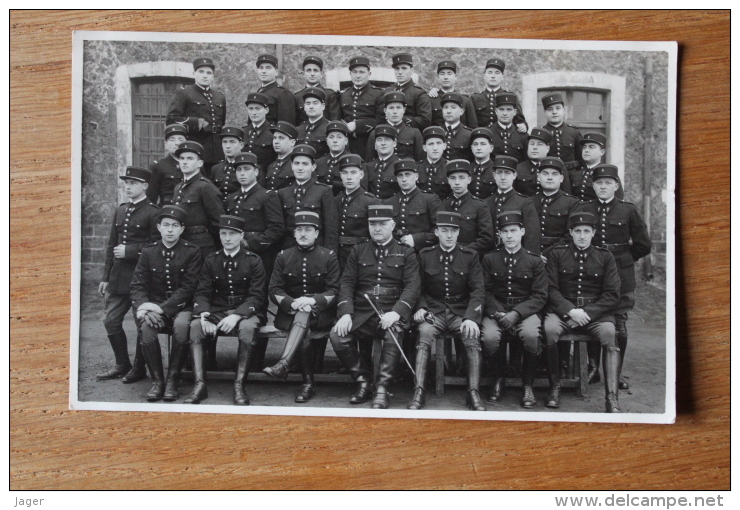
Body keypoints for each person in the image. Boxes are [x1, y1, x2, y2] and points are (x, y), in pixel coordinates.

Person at [330, 204, 421, 409]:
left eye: (382, 224)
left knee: (392, 333)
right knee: (338, 336)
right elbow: (347, 283)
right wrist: (345, 313)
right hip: (362, 312)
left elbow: (412, 286)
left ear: (392, 225)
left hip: (391, 311)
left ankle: (382, 387)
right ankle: (363, 382)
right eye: (373, 224)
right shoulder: (359, 250)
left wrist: (397, 312)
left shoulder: (405, 252)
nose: (377, 228)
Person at [577, 165, 651, 390]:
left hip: (620, 271)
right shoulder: (584, 208)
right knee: (591, 318)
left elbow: (643, 245)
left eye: (608, 183)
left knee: (619, 323)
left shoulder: (628, 210)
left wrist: (624, 259)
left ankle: (615, 372)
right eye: (599, 183)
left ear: (616, 186)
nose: (603, 186)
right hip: (591, 271)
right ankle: (593, 369)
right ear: (593, 185)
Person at [543, 212, 623, 412]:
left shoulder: (605, 257)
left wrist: (585, 313)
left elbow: (612, 294)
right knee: (549, 330)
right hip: (563, 312)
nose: (582, 235)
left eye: (586, 231)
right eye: (577, 231)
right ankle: (555, 386)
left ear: (593, 233)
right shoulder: (557, 254)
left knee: (609, 333)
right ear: (570, 232)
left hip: (595, 314)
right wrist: (570, 311)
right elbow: (550, 289)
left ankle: (612, 397)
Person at [410, 211, 486, 411]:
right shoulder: (425, 255)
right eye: (444, 231)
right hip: (433, 310)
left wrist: (471, 317)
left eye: (453, 231)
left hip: (460, 311)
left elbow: (478, 290)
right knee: (424, 334)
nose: (449, 235)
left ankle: (473, 392)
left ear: (459, 232)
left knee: (471, 337)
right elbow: (416, 287)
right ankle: (418, 391)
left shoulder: (470, 256)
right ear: (437, 232)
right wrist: (420, 307)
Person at [187, 215, 267, 405]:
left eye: (232, 234)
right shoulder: (211, 260)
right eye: (223, 234)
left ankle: (239, 385)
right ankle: (199, 384)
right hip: (218, 309)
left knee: (247, 328)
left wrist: (238, 315)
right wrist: (204, 313)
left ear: (241, 236)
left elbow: (257, 295)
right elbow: (202, 291)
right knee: (196, 325)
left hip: (248, 311)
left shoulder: (253, 260)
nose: (227, 238)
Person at [263, 211, 341, 403]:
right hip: (290, 312)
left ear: (316, 233)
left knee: (303, 318)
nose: (303, 233)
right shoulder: (283, 256)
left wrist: (313, 301)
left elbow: (334, 289)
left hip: (320, 313)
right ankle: (306, 382)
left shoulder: (328, 256)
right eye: (299, 230)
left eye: (308, 229)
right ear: (294, 234)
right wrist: (294, 303)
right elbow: (274, 289)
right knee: (302, 320)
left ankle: (286, 366)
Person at [129, 205, 202, 402]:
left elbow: (189, 287)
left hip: (182, 306)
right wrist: (144, 308)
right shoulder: (148, 252)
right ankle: (157, 381)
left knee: (181, 325)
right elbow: (137, 285)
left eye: (175, 226)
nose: (170, 230)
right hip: (153, 307)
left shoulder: (192, 251)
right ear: (159, 227)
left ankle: (173, 380)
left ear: (182, 229)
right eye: (166, 225)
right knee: (146, 328)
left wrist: (161, 309)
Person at [97, 166, 160, 382]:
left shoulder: (153, 212)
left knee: (142, 324)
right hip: (117, 277)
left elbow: (157, 245)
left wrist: (131, 251)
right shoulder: (121, 210)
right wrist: (105, 277)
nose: (129, 187)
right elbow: (111, 245)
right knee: (110, 320)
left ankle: (139, 368)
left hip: (140, 279)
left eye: (133, 183)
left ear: (145, 186)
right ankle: (122, 364)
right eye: (127, 183)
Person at [480, 211, 547, 408]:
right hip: (497, 310)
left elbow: (540, 295)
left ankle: (528, 385)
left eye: (513, 231)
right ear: (499, 234)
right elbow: (484, 290)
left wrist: (516, 314)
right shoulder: (490, 259)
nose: (509, 236)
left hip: (525, 311)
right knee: (490, 337)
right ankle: (499, 378)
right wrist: (497, 312)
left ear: (522, 232)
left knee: (531, 335)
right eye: (505, 231)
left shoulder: (534, 261)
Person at [224, 151, 285, 321]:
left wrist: (249, 244)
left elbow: (277, 229)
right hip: (235, 256)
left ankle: (257, 346)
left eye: (247, 169)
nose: (242, 173)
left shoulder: (267, 196)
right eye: (239, 170)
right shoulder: (231, 199)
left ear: (256, 171)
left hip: (260, 256)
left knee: (258, 301)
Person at [166, 57, 226, 175]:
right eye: (201, 72)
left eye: (209, 73)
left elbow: (221, 122)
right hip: (196, 149)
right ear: (194, 74)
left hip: (217, 151)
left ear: (213, 76)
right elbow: (171, 119)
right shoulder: (184, 93)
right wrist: (197, 123)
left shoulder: (219, 97)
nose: (205, 76)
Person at [277, 144, 339, 252]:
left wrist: (329, 256)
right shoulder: (283, 193)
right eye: (296, 163)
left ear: (313, 167)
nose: (300, 168)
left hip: (317, 251)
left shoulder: (323, 191)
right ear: (291, 166)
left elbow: (331, 229)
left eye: (305, 164)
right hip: (289, 251)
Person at [171, 141, 224, 261]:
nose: (184, 162)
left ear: (200, 163)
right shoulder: (178, 187)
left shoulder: (205, 187)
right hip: (180, 242)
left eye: (190, 158)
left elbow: (218, 222)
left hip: (201, 245)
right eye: (182, 158)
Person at [485, 155, 541, 254]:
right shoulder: (486, 203)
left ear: (514, 175)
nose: (503, 177)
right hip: (491, 256)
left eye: (507, 173)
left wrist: (530, 259)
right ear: (494, 175)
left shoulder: (524, 202)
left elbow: (532, 236)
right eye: (499, 173)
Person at [440, 159, 495, 257]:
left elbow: (486, 239)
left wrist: (461, 251)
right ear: (448, 180)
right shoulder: (443, 205)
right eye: (453, 178)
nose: (457, 182)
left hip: (470, 257)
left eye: (461, 178)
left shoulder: (480, 206)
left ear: (469, 180)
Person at [335, 154, 380, 272]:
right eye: (345, 173)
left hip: (362, 254)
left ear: (361, 174)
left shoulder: (370, 200)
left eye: (353, 172)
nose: (349, 177)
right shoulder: (336, 200)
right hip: (338, 255)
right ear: (340, 175)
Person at [385, 159, 441, 252]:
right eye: (400, 175)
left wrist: (417, 239)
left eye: (408, 174)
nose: (404, 179)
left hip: (423, 253)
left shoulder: (430, 199)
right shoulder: (389, 202)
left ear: (416, 176)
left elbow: (440, 229)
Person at [532, 157, 581, 256]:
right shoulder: (529, 202)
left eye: (554, 174)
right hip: (532, 257)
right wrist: (534, 254)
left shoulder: (572, 203)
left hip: (560, 255)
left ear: (561, 178)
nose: (549, 177)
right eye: (545, 174)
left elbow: (571, 235)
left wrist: (548, 254)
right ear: (538, 177)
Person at [339, 56, 384, 159]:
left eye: (362, 72)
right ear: (350, 74)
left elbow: (381, 120)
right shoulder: (343, 95)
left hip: (369, 143)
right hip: (347, 144)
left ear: (369, 74)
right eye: (354, 72)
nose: (358, 76)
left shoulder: (379, 94)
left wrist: (357, 125)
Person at [376, 53, 431, 130]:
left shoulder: (419, 93)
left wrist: (399, 119)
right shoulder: (386, 91)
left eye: (404, 68)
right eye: (397, 68)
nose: (400, 72)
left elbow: (425, 120)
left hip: (409, 136)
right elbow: (379, 116)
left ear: (411, 70)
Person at [470, 58, 527, 132]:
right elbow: (471, 124)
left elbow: (520, 121)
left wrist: (523, 126)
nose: (493, 76)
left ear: (502, 77)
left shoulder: (511, 97)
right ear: (484, 76)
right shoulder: (475, 98)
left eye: (497, 73)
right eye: (490, 72)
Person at [366, 91, 423, 162]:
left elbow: (420, 161)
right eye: (391, 108)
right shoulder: (375, 133)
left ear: (404, 110)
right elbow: (370, 162)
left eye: (398, 107)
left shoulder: (414, 133)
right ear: (385, 110)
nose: (395, 112)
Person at [514, 127, 571, 196]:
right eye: (532, 144)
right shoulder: (518, 168)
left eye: (539, 144)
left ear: (547, 148)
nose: (534, 147)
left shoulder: (558, 167)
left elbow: (566, 196)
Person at [570, 132, 624, 202]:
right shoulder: (576, 173)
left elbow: (618, 199)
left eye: (591, 147)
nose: (586, 150)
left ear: (602, 152)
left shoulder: (608, 173)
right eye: (584, 147)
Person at [427, 60, 477, 129]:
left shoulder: (465, 100)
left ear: (455, 77)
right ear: (438, 77)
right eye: (442, 74)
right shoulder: (430, 99)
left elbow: (473, 126)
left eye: (449, 73)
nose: (445, 77)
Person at [540, 93, 582, 172]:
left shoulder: (574, 132)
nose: (554, 112)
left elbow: (581, 160)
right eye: (550, 109)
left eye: (558, 108)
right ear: (544, 112)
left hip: (571, 176)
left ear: (564, 110)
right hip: (548, 176)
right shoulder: (541, 133)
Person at [146, 124, 187, 206]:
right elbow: (151, 198)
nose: (177, 143)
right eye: (172, 140)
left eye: (180, 139)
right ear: (166, 144)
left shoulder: (196, 165)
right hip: (167, 210)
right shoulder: (158, 166)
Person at [292, 55, 340, 124]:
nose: (312, 74)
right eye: (308, 70)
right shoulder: (297, 97)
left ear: (321, 74)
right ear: (303, 73)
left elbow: (335, 121)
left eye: (315, 70)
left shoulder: (330, 95)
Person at [315, 120, 356, 195]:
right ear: (327, 141)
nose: (335, 141)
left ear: (346, 141)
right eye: (331, 137)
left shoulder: (354, 161)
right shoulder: (318, 163)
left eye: (339, 137)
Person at [254, 54, 296, 125]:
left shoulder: (282, 93)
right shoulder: (259, 91)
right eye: (261, 68)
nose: (264, 71)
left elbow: (286, 124)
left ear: (276, 72)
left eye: (268, 68)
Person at [241, 93, 277, 174]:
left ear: (266, 110)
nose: (254, 113)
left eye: (257, 109)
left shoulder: (273, 132)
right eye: (251, 109)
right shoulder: (243, 132)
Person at [364, 124, 401, 199]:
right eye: (379, 140)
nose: (383, 143)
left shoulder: (400, 165)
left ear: (394, 143)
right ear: (375, 145)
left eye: (387, 139)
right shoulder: (368, 166)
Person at [489, 92, 528, 163]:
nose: (505, 113)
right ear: (496, 111)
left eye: (509, 109)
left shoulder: (523, 135)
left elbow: (525, 162)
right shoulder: (488, 133)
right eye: (501, 109)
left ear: (515, 112)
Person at [416, 126, 450, 200]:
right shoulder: (416, 167)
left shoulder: (449, 167)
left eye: (438, 143)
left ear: (444, 146)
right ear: (424, 147)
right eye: (431, 144)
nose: (435, 148)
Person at [295, 87, 330, 158]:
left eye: (315, 103)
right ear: (304, 107)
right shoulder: (298, 130)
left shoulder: (330, 128)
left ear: (323, 106)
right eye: (308, 103)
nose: (311, 106)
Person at [210, 126, 244, 196]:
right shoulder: (216, 168)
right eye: (224, 142)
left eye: (232, 142)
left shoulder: (248, 167)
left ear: (241, 145)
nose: (227, 146)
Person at [264, 121, 298, 191]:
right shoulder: (271, 166)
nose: (276, 141)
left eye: (281, 138)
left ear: (292, 142)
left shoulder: (297, 164)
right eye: (274, 138)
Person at [440, 93, 474, 162]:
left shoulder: (469, 134)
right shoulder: (437, 132)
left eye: (453, 107)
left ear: (461, 111)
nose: (449, 111)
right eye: (446, 107)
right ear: (442, 111)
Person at [468, 127, 498, 200]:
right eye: (475, 144)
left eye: (483, 144)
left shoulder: (497, 169)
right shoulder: (466, 168)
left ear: (491, 148)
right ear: (471, 148)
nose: (478, 148)